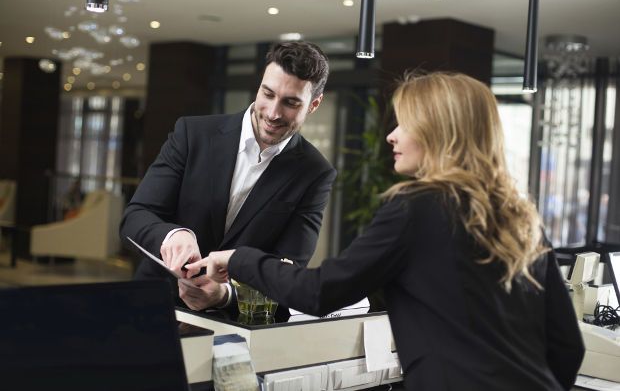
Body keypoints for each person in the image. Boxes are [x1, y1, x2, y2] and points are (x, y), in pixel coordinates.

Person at [189, 73, 585, 391]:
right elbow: (567, 344)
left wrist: (239, 258)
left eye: (405, 123)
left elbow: (320, 291)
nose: (391, 135)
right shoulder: (519, 216)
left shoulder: (417, 206)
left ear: (440, 133)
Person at [120, 41, 336, 311]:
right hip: (153, 304)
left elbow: (288, 274)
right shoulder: (192, 134)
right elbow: (135, 216)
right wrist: (173, 235)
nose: (273, 113)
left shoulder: (315, 173)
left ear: (314, 104)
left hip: (235, 327)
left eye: (290, 103)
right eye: (267, 94)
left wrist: (226, 295)